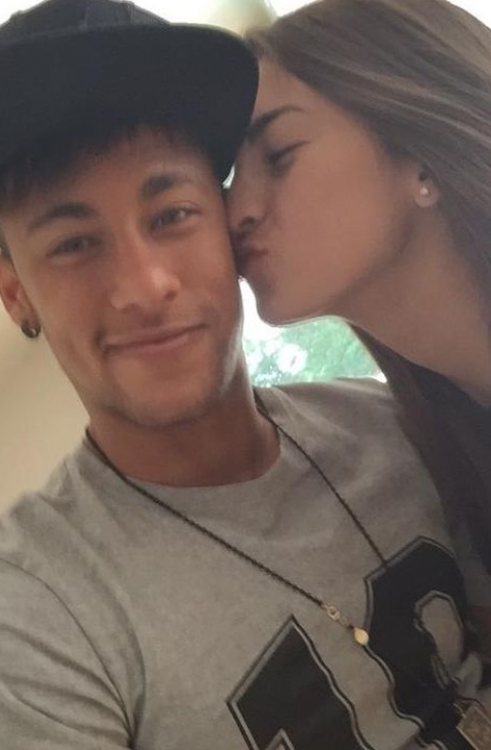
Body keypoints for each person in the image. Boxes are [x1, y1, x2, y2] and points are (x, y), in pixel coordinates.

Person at [0, 0, 489, 748]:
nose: (145, 285)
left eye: (172, 215)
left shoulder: (398, 425)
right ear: (14, 292)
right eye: (73, 245)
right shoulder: (33, 618)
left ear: (225, 226)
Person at [227, 0, 491, 649]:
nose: (235, 212)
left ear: (419, 154)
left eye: (279, 155)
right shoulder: (438, 437)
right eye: (229, 179)